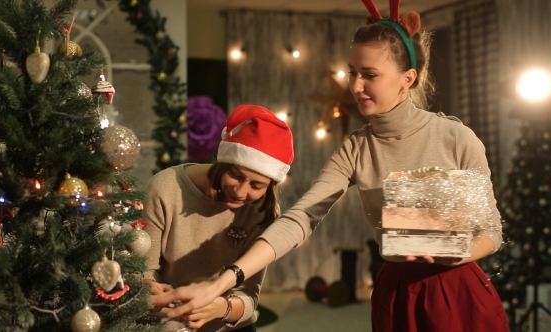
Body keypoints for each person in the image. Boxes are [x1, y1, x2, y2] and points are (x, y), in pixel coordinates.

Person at [149, 1, 510, 331]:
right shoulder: (356, 148)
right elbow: (300, 218)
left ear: (408, 79)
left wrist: (457, 253)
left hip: (457, 291)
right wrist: (221, 282)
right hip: (397, 293)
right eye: (352, 72)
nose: (356, 86)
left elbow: (491, 231)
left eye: (369, 74)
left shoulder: (456, 138)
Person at [141, 104, 294, 332]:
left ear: (270, 186)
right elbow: (142, 267)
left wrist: (221, 308)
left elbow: (249, 296)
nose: (241, 192)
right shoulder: (165, 188)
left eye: (256, 185)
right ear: (223, 161)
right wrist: (148, 286)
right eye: (236, 175)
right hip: (167, 321)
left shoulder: (263, 213)